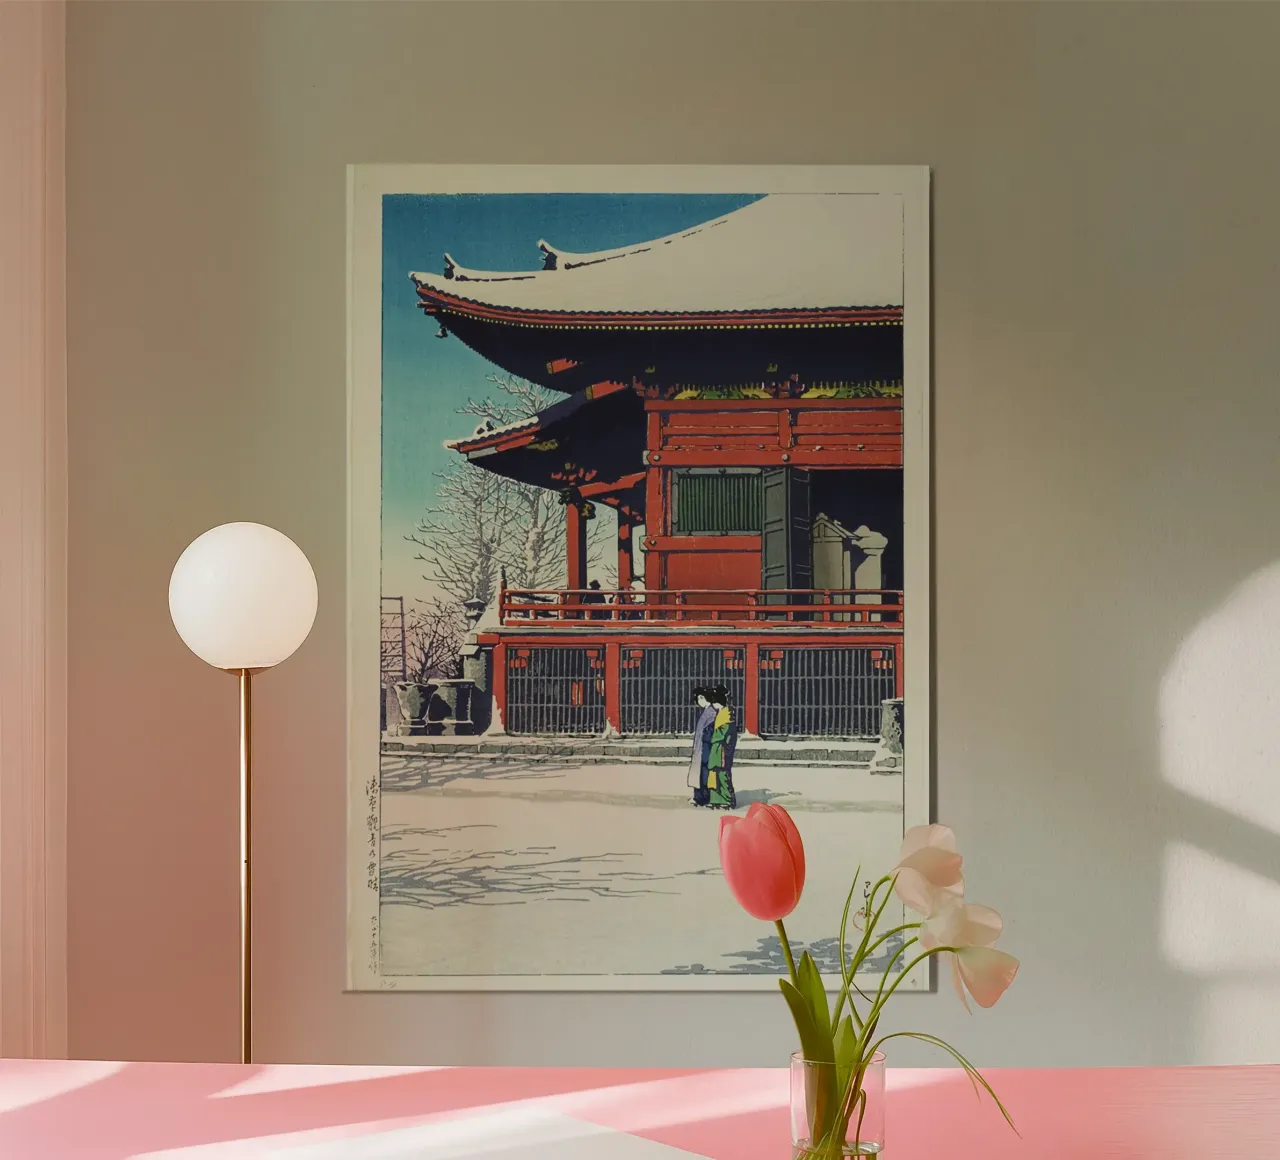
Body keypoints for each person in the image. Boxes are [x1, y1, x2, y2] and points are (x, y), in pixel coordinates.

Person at [706, 684, 738, 810]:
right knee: (715, 775)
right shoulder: (721, 714)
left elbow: (721, 734)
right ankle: (716, 799)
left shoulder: (727, 716)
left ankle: (727, 800)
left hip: (722, 751)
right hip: (717, 751)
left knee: (723, 776)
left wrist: (711, 736)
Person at [686, 686, 716, 807]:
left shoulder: (711, 713)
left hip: (705, 748)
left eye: (700, 698)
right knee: (701, 773)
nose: (699, 701)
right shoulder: (707, 711)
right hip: (701, 747)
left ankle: (702, 797)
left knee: (704, 774)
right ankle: (700, 796)